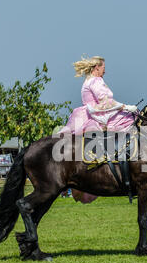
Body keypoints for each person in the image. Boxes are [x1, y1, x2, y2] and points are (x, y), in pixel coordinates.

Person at [58, 56, 138, 204]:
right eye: (103, 68)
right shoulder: (95, 81)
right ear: (97, 68)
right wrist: (126, 107)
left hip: (90, 115)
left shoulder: (86, 82)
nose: (104, 71)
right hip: (99, 116)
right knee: (133, 121)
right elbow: (106, 102)